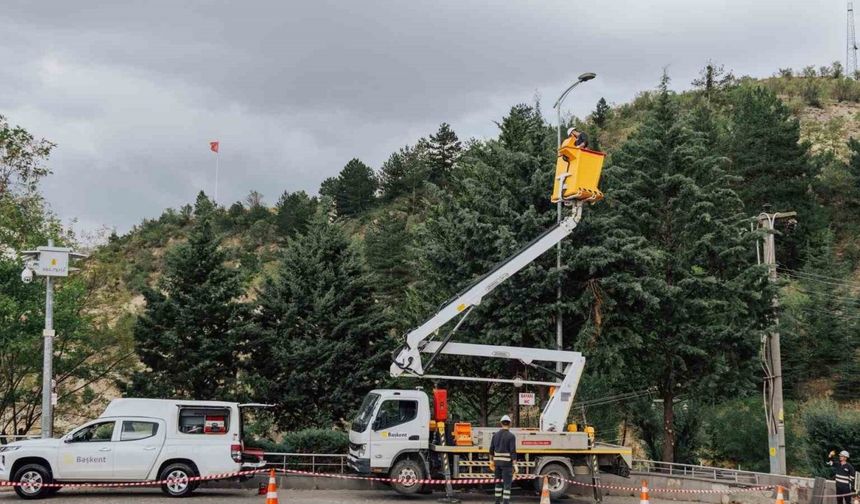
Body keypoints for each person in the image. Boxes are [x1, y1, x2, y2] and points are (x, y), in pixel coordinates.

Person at [489, 415, 517, 504]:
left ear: (501, 423)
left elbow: (491, 449)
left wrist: (491, 461)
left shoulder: (495, 435)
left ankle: (497, 502)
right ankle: (505, 502)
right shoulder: (511, 436)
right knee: (507, 484)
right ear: (510, 424)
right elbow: (513, 451)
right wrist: (515, 464)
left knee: (497, 483)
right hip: (507, 464)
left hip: (497, 463)